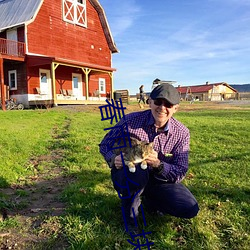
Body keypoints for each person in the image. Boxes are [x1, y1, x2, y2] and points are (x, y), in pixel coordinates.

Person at [99, 83, 199, 233]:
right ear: (149, 102)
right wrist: (114, 159)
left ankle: (151, 199)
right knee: (137, 171)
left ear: (176, 108)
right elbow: (105, 144)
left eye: (169, 104)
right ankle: (130, 215)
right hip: (130, 172)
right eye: (158, 102)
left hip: (159, 179)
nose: (162, 108)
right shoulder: (130, 121)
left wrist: (159, 164)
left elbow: (181, 170)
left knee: (188, 207)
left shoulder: (182, 133)